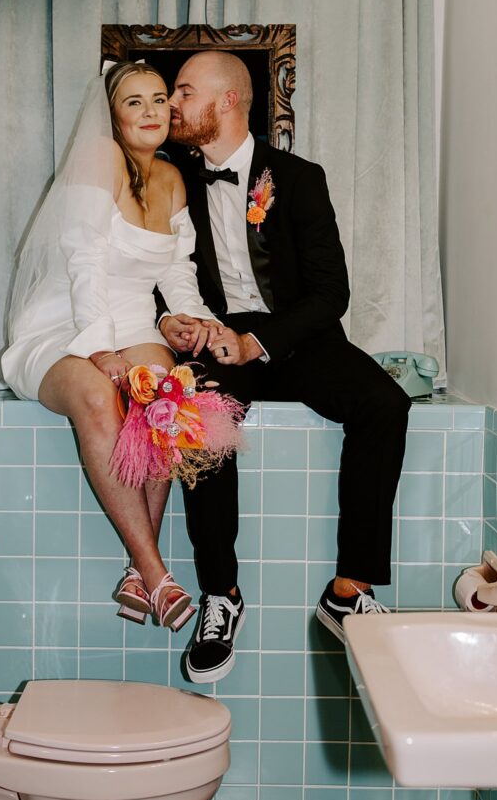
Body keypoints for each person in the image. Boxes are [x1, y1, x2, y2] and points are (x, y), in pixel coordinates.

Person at [159, 50, 412, 683]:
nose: (173, 104)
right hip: (216, 338)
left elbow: (332, 293)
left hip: (297, 336)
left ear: (229, 101)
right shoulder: (171, 181)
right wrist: (173, 321)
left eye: (185, 92)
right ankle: (221, 595)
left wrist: (259, 343)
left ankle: (349, 587)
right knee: (200, 417)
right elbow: (150, 273)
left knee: (385, 404)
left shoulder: (299, 177)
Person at [2, 60, 226, 633]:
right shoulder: (99, 162)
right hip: (63, 322)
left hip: (133, 324)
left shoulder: (173, 177)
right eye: (134, 102)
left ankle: (136, 572)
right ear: (112, 115)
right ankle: (153, 571)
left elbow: (178, 270)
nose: (151, 111)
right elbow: (84, 264)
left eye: (158, 100)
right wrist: (100, 351)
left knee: (167, 399)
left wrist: (187, 320)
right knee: (102, 398)